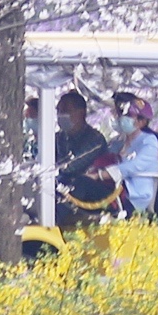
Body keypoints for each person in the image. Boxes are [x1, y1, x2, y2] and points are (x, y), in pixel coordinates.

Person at [51, 90, 118, 227]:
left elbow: (70, 166)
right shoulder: (58, 137)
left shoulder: (95, 139)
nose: (60, 115)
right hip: (69, 187)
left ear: (81, 112)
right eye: (59, 111)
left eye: (65, 110)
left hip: (95, 188)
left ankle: (52, 218)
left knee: (79, 181)